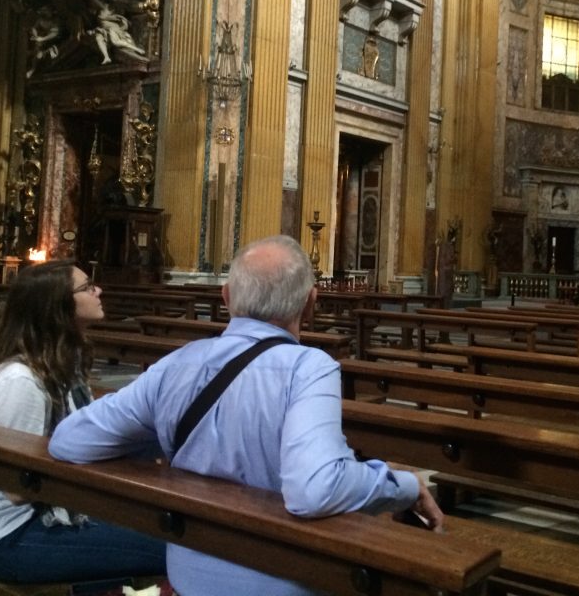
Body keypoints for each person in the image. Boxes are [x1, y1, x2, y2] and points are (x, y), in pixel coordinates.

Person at [49, 235, 443, 595]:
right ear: (311, 302)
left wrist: (158, 435)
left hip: (190, 579)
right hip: (284, 580)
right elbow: (314, 490)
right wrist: (402, 485)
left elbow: (70, 440)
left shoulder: (178, 364)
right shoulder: (308, 367)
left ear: (226, 297)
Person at [0, 261, 166, 583]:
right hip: (13, 537)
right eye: (86, 287)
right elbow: (18, 488)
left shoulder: (57, 367)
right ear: (58, 306)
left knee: (160, 526)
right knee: (172, 550)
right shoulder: (22, 382)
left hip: (52, 516)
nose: (98, 290)